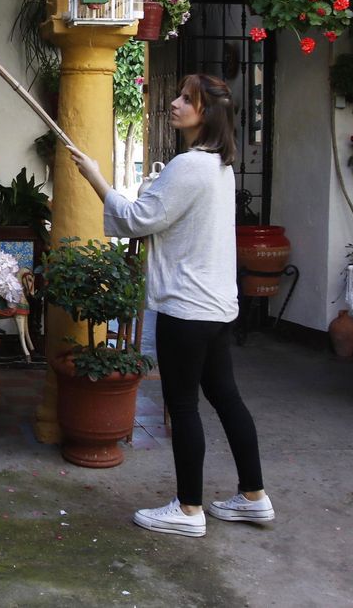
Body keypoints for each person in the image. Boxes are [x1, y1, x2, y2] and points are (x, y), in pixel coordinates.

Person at [67, 73, 272, 538]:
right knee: (226, 397)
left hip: (187, 307)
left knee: (182, 405)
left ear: (207, 113)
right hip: (217, 305)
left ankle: (188, 509)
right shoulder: (220, 166)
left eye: (186, 99)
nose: (175, 104)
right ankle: (254, 496)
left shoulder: (190, 164)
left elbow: (140, 220)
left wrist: (96, 176)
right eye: (178, 95)